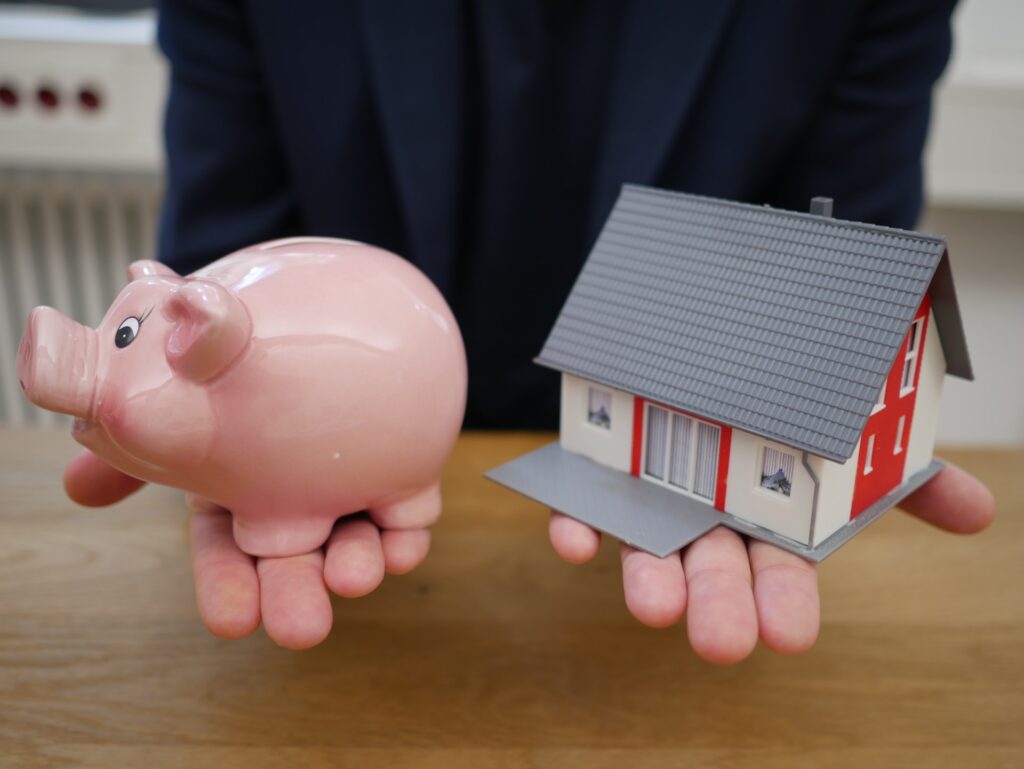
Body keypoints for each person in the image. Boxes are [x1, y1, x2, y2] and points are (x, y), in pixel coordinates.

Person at [66, 0, 994, 661]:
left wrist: (845, 441)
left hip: (643, 517)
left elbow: (844, 275)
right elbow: (225, 253)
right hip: (350, 488)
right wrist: (183, 415)